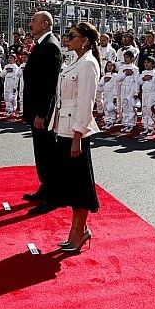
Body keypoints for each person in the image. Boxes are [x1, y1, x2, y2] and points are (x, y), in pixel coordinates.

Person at [50, 22, 101, 252]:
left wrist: (78, 136)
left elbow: (85, 103)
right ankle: (78, 230)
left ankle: (79, 232)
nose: (67, 39)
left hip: (75, 131)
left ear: (85, 40)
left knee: (80, 185)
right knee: (72, 184)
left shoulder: (88, 63)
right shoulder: (75, 61)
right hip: (65, 128)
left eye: (72, 36)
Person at [21, 11, 63, 215]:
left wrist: (42, 114)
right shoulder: (42, 44)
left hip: (42, 112)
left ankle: (53, 195)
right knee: (41, 151)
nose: (30, 24)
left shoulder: (50, 46)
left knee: (47, 152)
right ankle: (46, 187)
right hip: (35, 109)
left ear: (45, 24)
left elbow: (49, 84)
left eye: (34, 21)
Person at [117, 50, 140, 133]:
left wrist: (136, 92)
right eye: (125, 57)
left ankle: (131, 123)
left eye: (127, 57)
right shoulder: (121, 68)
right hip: (124, 88)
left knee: (131, 106)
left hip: (131, 88)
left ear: (132, 58)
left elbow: (137, 81)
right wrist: (125, 74)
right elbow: (118, 79)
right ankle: (125, 123)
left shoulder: (135, 69)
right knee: (124, 105)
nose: (125, 59)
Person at [139, 56, 155, 138]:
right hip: (144, 93)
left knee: (150, 110)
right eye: (145, 62)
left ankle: (151, 127)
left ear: (153, 64)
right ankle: (145, 126)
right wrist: (143, 79)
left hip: (152, 94)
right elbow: (139, 82)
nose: (146, 64)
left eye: (148, 63)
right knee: (144, 109)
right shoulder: (143, 73)